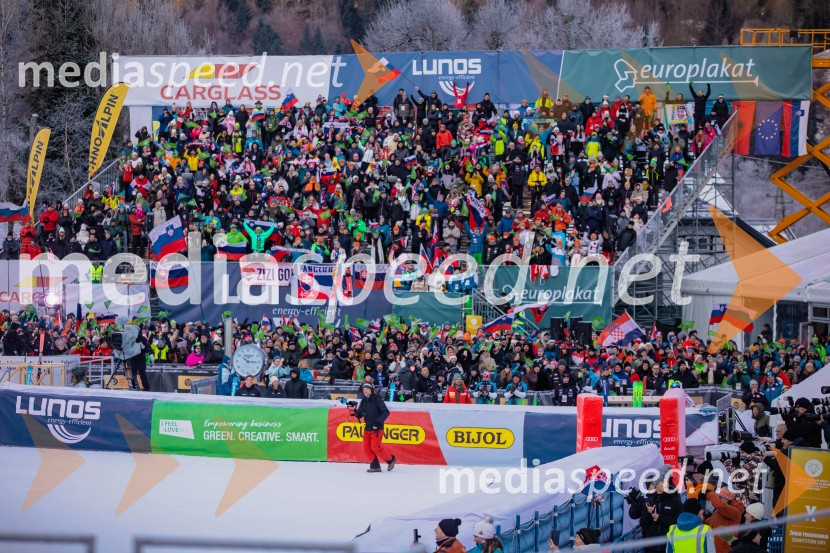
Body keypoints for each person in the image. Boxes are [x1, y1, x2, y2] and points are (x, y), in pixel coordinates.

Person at [352, 382, 396, 473]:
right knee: (366, 448)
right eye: (364, 389)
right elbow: (361, 413)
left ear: (371, 390)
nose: (365, 391)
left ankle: (391, 459)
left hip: (377, 428)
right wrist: (357, 413)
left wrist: (378, 421)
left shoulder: (377, 399)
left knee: (375, 447)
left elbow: (386, 412)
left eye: (367, 389)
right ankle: (375, 466)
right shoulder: (364, 400)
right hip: (367, 428)